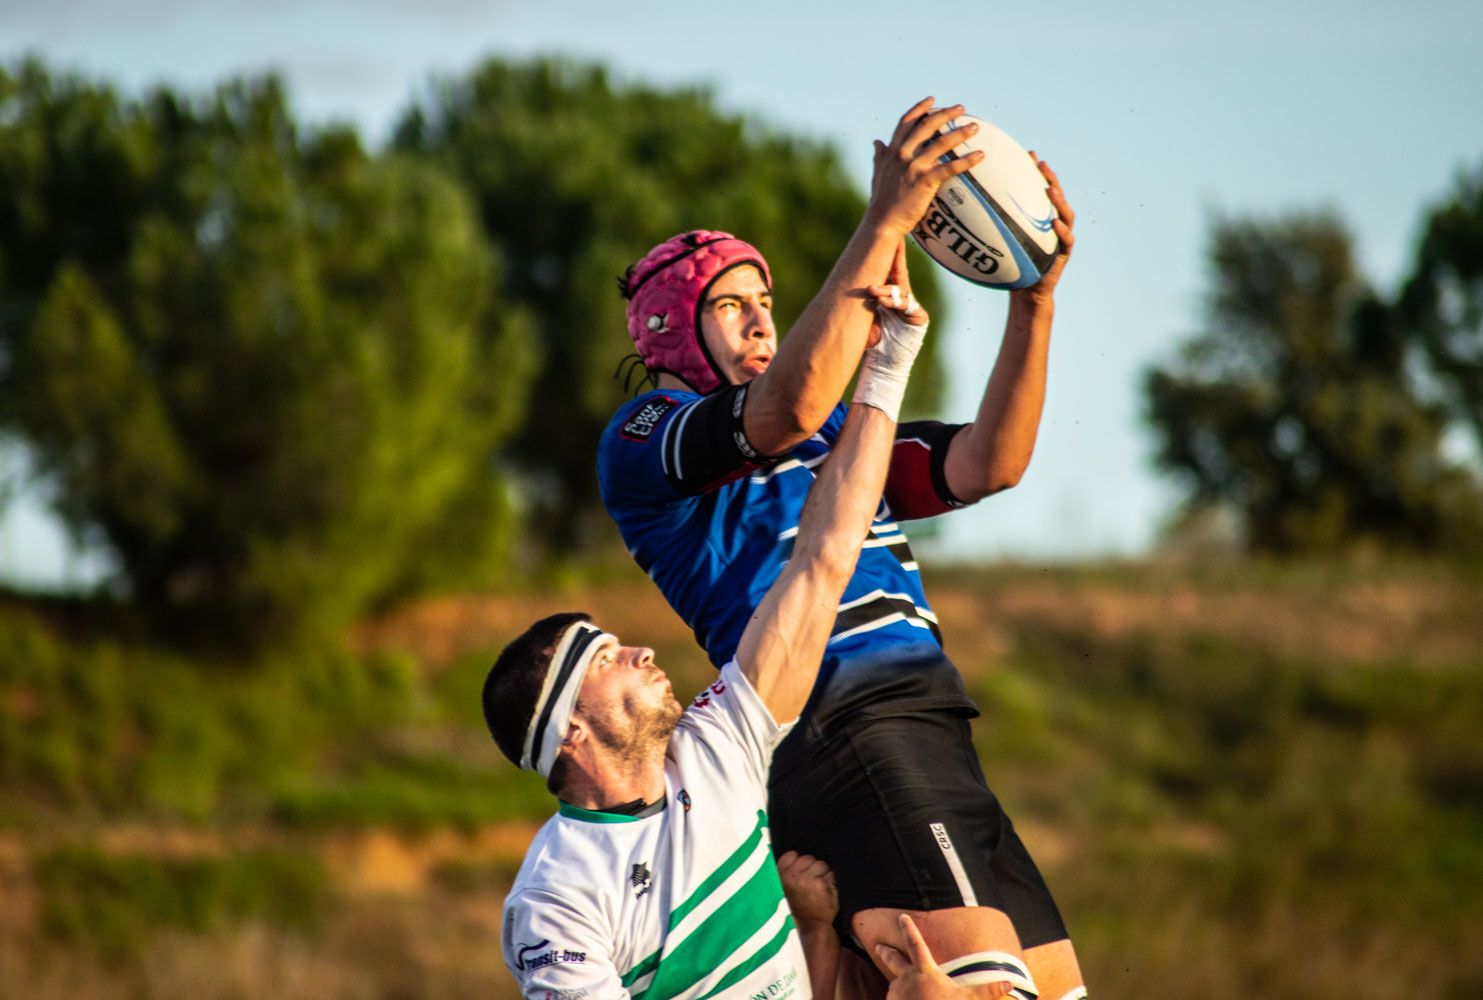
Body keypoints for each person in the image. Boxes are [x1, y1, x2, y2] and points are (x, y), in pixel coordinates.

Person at [596, 98, 1084, 1000]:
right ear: (669, 332)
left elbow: (989, 462)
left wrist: (1034, 300)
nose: (759, 323)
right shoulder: (645, 435)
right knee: (977, 990)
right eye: (730, 306)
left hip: (931, 723)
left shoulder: (836, 444)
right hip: (846, 724)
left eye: (766, 303)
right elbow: (783, 407)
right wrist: (886, 216)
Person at [485, 288, 931, 999]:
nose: (642, 654)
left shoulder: (713, 748)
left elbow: (823, 560)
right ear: (569, 731)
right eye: (604, 660)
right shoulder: (556, 896)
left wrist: (887, 367)